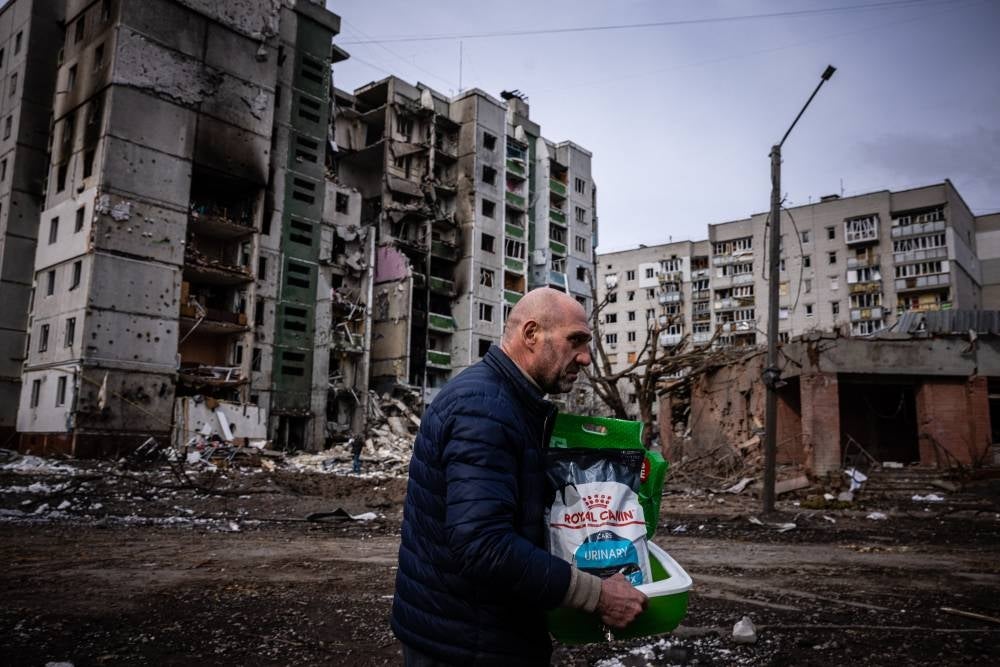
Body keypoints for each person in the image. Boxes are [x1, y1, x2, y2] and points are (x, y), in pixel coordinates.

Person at [391, 287, 647, 665]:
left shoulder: (507, 401)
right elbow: (482, 544)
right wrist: (596, 594)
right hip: (465, 645)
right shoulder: (484, 408)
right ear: (531, 334)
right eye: (575, 340)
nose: (586, 357)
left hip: (468, 631)